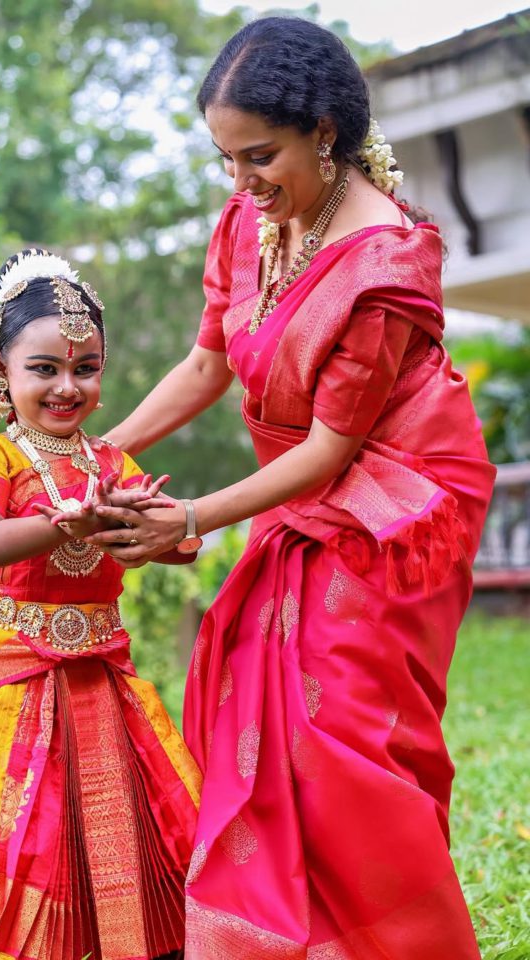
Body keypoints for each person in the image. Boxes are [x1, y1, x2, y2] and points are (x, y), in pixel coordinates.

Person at [73, 16, 496, 960]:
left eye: (259, 156)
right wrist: (106, 451)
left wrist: (191, 515)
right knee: (261, 713)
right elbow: (206, 363)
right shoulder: (248, 224)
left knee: (334, 726)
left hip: (398, 501)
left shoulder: (384, 263)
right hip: (302, 487)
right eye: (225, 160)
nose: (240, 183)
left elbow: (332, 450)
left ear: (326, 134)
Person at [0, 248, 201, 960]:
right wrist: (71, 521)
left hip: (102, 676)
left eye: (85, 369)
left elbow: (178, 548)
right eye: (44, 369)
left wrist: (142, 524)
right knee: (20, 841)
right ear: (3, 370)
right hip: (16, 674)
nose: (66, 387)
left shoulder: (112, 463)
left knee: (145, 837)